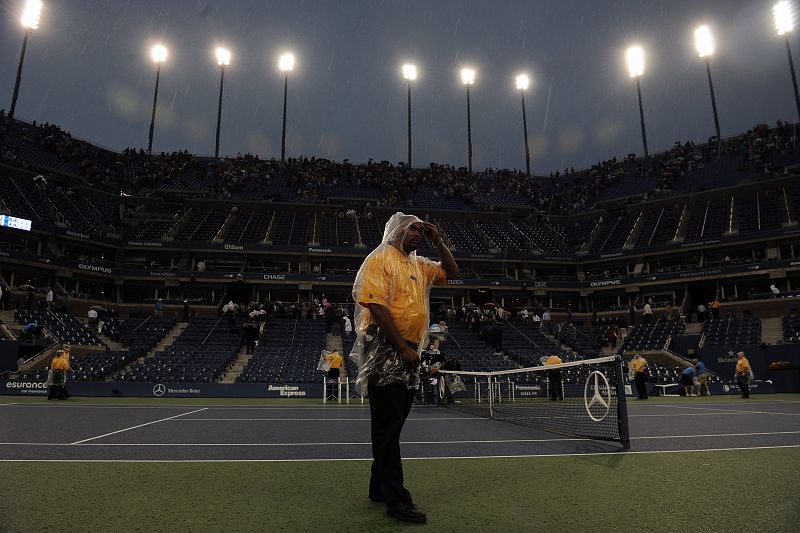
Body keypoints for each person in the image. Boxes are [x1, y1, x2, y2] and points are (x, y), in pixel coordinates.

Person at [349, 212, 458, 524]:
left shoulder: (419, 264)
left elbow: (452, 273)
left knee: (392, 424)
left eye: (421, 231)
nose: (418, 234)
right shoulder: (380, 259)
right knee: (388, 423)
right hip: (386, 346)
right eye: (413, 229)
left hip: (408, 349)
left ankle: (379, 487)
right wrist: (401, 348)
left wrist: (439, 241)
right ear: (397, 230)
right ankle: (396, 499)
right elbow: (375, 305)